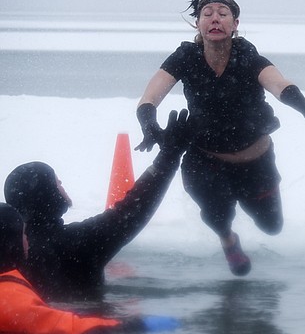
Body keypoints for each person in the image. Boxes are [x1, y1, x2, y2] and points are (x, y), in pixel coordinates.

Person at [136, 0, 305, 276]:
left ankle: (243, 209)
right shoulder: (186, 57)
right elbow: (151, 95)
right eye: (207, 13)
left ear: (235, 23)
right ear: (198, 23)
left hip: (255, 161)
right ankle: (228, 239)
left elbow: (278, 83)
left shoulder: (246, 56)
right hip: (205, 158)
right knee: (217, 214)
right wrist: (149, 123)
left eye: (223, 13)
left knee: (272, 226)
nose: (215, 18)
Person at [4, 110, 193, 299]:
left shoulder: (9, 250)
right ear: (48, 195)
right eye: (57, 183)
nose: (62, 186)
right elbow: (131, 212)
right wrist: (169, 156)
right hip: (86, 322)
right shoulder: (77, 243)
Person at [0, 203, 180, 334]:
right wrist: (131, 326)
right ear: (11, 243)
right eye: (23, 234)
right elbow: (65, 326)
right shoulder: (9, 295)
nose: (27, 240)